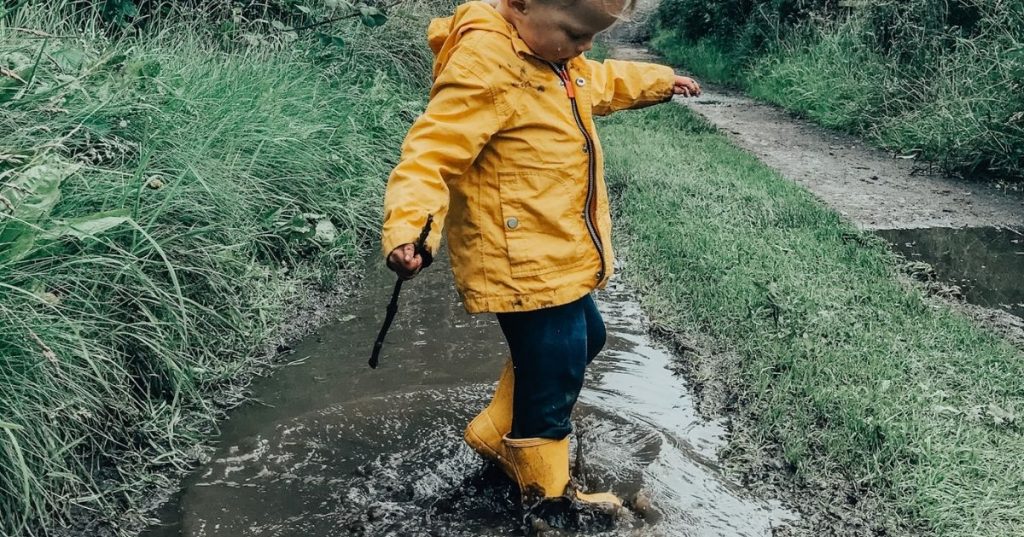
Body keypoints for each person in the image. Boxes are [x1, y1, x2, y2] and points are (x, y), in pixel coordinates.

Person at [381, 0, 701, 519]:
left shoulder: (559, 61)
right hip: (517, 258)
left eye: (591, 37)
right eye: (576, 33)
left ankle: (495, 432)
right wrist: (410, 227)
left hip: (554, 248)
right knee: (555, 363)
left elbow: (603, 80)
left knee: (587, 339)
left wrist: (660, 80)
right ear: (521, 5)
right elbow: (430, 153)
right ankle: (547, 495)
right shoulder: (486, 66)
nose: (585, 47)